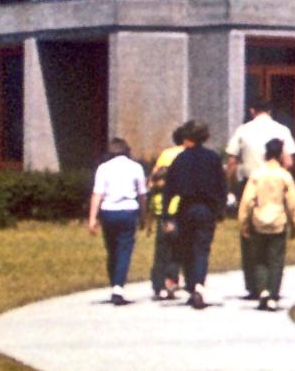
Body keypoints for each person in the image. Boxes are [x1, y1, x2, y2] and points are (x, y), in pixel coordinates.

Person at [158, 120, 230, 307]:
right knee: (202, 249)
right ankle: (199, 285)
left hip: (186, 208)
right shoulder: (213, 159)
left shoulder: (180, 159)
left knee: (187, 248)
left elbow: (169, 190)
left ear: (187, 137)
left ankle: (191, 285)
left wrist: (167, 216)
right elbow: (222, 187)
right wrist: (220, 209)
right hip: (206, 209)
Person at [235, 137, 295, 311]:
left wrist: (243, 223)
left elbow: (247, 200)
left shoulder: (257, 175)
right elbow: (292, 203)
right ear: (280, 155)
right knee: (276, 260)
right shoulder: (285, 176)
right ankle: (272, 294)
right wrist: (294, 224)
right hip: (278, 221)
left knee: (260, 259)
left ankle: (262, 289)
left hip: (259, 221)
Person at [84, 137, 148, 304]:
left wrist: (92, 218)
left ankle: (114, 283)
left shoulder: (103, 168)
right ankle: (118, 286)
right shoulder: (136, 168)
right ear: (127, 151)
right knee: (124, 250)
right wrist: (143, 216)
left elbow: (97, 194)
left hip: (109, 212)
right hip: (128, 210)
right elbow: (142, 194)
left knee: (111, 250)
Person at [145, 122, 191, 300]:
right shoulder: (186, 155)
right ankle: (172, 280)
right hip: (180, 206)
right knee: (178, 247)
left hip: (161, 205)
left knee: (162, 247)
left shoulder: (165, 154)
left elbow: (154, 178)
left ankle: (158, 284)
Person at [226, 101, 295, 181]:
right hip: (274, 182)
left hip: (249, 181)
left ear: (252, 111)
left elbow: (231, 161)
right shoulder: (282, 130)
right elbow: (288, 162)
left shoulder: (242, 130)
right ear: (269, 111)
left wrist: (229, 183)